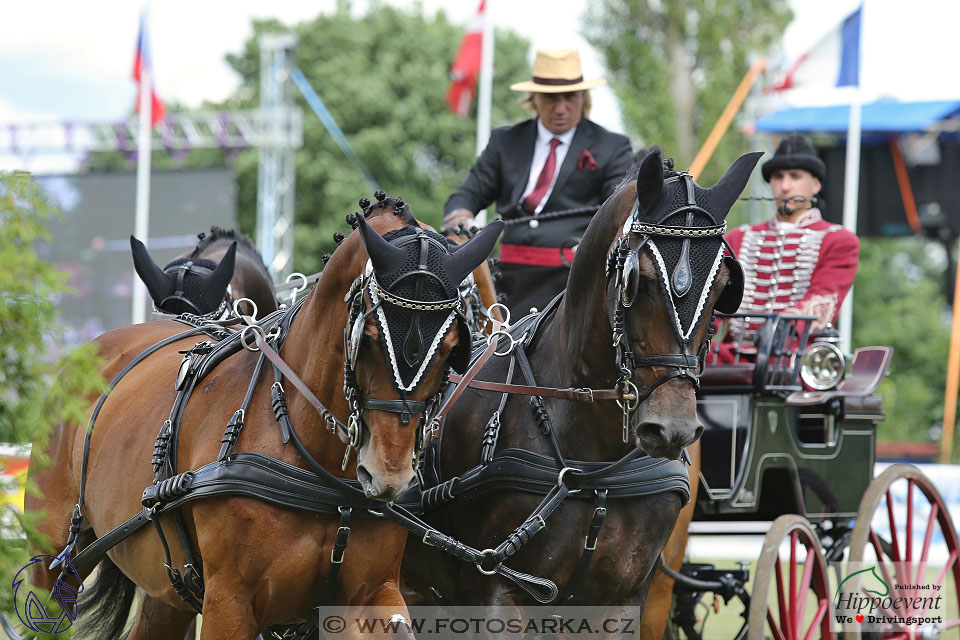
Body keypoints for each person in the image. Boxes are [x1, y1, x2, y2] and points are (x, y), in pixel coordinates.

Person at [444, 49, 634, 318]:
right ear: (534, 98)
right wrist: (459, 216)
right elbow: (468, 193)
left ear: (583, 97)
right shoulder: (505, 141)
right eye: (550, 98)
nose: (560, 108)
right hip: (506, 282)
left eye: (569, 98)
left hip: (574, 284)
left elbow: (620, 210)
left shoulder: (611, 147)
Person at [718, 133, 860, 361]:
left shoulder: (838, 240)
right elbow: (711, 301)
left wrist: (781, 325)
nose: (784, 186)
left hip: (797, 360)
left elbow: (823, 300)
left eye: (795, 177)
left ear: (815, 184)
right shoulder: (738, 237)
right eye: (777, 177)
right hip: (730, 358)